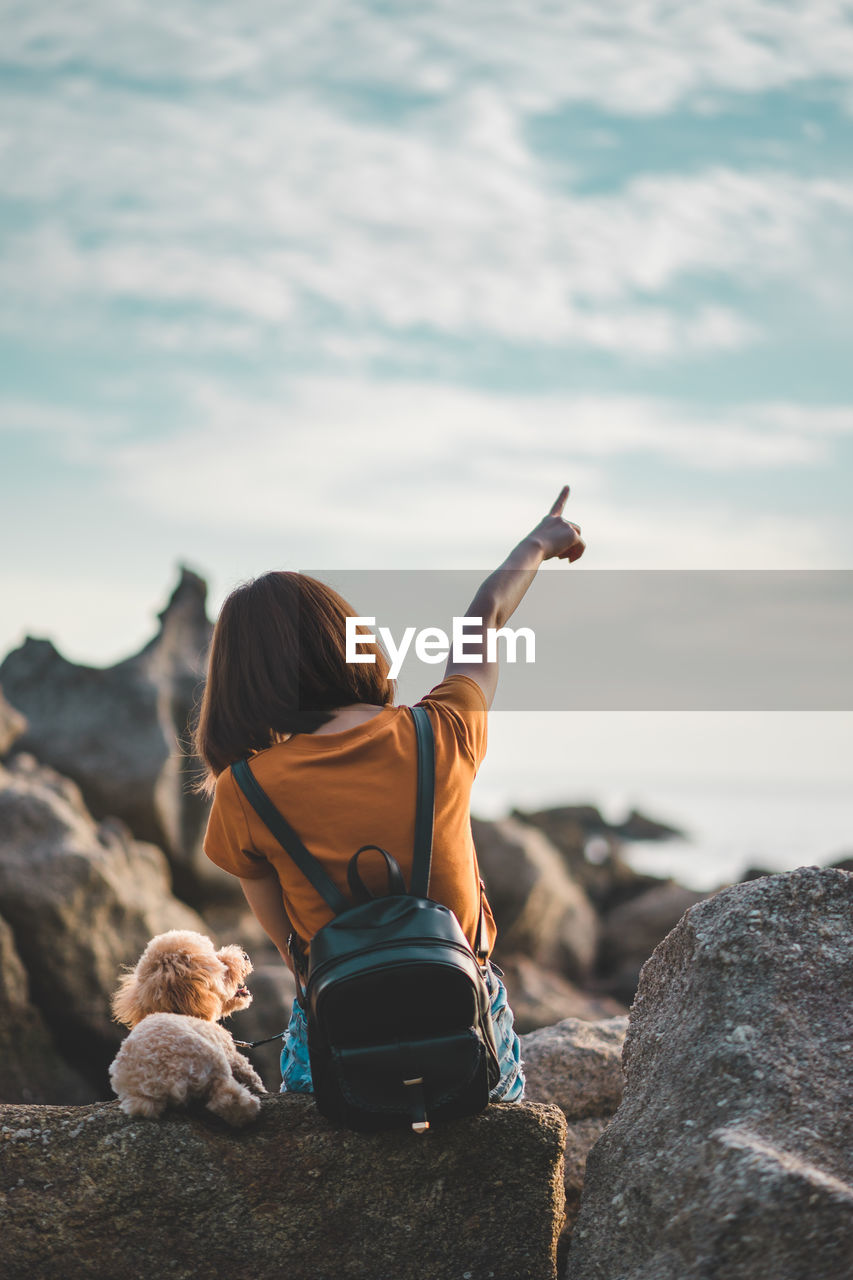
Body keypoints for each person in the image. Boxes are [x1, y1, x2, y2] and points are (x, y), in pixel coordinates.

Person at [194, 484, 585, 1100]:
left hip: (343, 1044)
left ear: (240, 683)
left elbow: (296, 952)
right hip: (467, 1029)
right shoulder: (443, 728)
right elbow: (482, 619)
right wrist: (539, 542)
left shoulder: (246, 790)